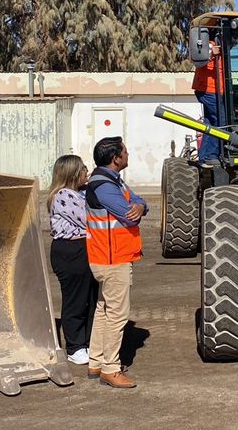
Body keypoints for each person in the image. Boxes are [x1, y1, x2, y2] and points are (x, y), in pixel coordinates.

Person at [85, 137, 148, 388]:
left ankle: (96, 361)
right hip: (112, 259)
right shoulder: (105, 186)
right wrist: (137, 209)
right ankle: (110, 368)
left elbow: (139, 202)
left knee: (104, 310)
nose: (128, 155)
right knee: (117, 316)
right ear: (116, 158)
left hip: (109, 257)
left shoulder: (112, 180)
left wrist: (140, 206)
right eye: (126, 152)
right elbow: (129, 217)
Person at [47, 155, 98, 366]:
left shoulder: (80, 192)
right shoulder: (63, 195)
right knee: (75, 300)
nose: (87, 172)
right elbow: (88, 218)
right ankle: (75, 347)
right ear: (73, 173)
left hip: (84, 249)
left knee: (90, 299)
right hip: (71, 251)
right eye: (83, 169)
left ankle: (87, 342)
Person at [192, 37, 223, 164]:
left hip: (214, 91)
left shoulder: (224, 49)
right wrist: (211, 54)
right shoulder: (209, 45)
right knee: (221, 121)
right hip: (208, 90)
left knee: (210, 123)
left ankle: (204, 157)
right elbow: (198, 60)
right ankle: (212, 155)